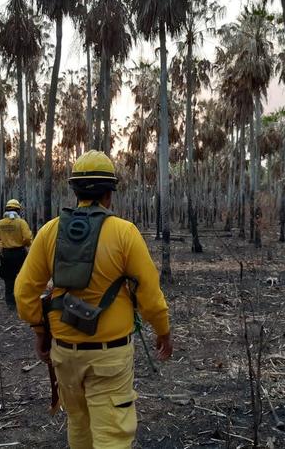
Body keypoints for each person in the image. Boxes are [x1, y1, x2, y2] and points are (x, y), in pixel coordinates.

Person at [15, 150, 173, 449]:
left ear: (74, 191)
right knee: (112, 434)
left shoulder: (50, 231)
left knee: (79, 424)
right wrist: (162, 330)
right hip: (109, 357)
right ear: (109, 195)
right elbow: (149, 294)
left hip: (65, 353)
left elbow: (24, 293)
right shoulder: (125, 233)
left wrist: (40, 332)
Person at [0, 199, 32, 311]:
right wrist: (25, 244)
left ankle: (10, 303)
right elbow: (28, 238)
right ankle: (22, 301)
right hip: (19, 253)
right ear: (18, 210)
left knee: (8, 279)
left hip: (5, 254)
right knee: (22, 277)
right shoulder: (21, 223)